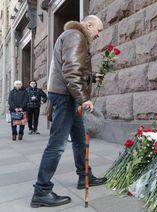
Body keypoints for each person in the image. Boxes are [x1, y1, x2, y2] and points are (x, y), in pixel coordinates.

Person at [31, 15, 106, 208]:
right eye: (98, 30)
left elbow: (74, 68)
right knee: (57, 145)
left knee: (80, 139)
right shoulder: (75, 35)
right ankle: (41, 191)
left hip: (67, 95)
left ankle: (84, 177)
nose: (98, 35)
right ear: (88, 25)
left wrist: (91, 77)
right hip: (66, 97)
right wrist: (84, 99)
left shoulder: (72, 35)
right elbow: (71, 71)